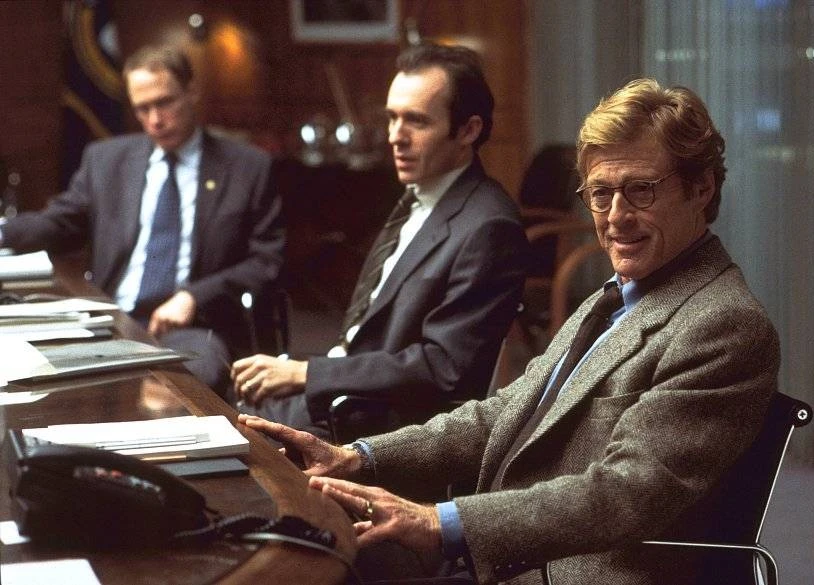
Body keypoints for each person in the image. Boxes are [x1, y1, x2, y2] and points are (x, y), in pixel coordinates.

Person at [238, 77, 781, 585]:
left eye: (641, 190)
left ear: (701, 188)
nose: (616, 216)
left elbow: (623, 494)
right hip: (503, 551)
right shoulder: (619, 294)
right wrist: (360, 457)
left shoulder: (723, 325)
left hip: (557, 572)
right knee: (290, 546)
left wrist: (440, 522)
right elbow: (503, 414)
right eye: (600, 193)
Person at [232, 43, 528, 438]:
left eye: (416, 122)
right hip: (345, 391)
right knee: (215, 403)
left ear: (468, 131)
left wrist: (308, 373)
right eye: (392, 118)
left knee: (229, 437)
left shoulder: (489, 227)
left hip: (380, 428)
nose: (395, 137)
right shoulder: (421, 195)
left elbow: (444, 367)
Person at [0, 45, 284, 398]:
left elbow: (267, 261)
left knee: (182, 392)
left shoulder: (247, 167)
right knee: (25, 374)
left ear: (192, 91)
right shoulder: (106, 160)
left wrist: (195, 297)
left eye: (164, 103)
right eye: (142, 108)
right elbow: (59, 222)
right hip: (108, 318)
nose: (155, 120)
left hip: (192, 328)